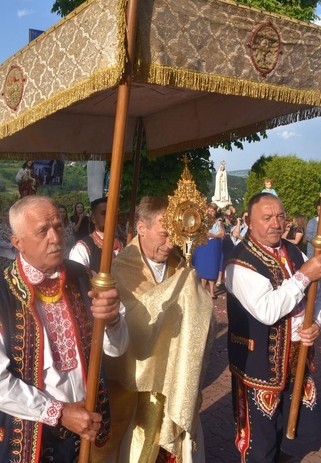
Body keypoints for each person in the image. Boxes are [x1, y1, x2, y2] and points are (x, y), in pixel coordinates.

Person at [0, 195, 128, 461]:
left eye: (58, 225)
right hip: (27, 432)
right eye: (43, 231)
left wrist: (113, 320)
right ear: (17, 243)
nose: (55, 237)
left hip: (86, 424)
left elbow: (117, 348)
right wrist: (60, 413)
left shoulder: (84, 277)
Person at [94, 196, 214, 461]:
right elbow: (132, 324)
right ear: (141, 228)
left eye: (174, 234)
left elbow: (201, 324)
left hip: (173, 381)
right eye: (163, 234)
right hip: (134, 387)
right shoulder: (120, 269)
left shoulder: (181, 267)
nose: (170, 242)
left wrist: (194, 298)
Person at [224, 193, 321, 462]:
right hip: (259, 363)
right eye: (267, 218)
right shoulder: (239, 262)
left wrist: (316, 322)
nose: (276, 223)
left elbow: (317, 295)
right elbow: (268, 310)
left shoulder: (294, 251)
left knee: (308, 432)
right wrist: (304, 276)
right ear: (247, 220)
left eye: (281, 216)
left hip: (297, 359)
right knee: (260, 446)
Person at [69, 197, 122, 274]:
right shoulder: (81, 248)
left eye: (113, 213)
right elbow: (79, 279)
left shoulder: (125, 245)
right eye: (104, 213)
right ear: (93, 219)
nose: (110, 217)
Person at [192, 204, 226, 298]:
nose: (210, 212)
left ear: (216, 212)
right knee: (204, 267)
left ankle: (212, 291)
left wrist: (219, 225)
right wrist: (216, 236)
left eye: (212, 211)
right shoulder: (202, 221)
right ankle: (202, 289)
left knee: (212, 267)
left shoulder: (218, 221)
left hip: (214, 247)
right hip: (204, 245)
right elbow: (205, 233)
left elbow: (222, 234)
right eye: (209, 210)